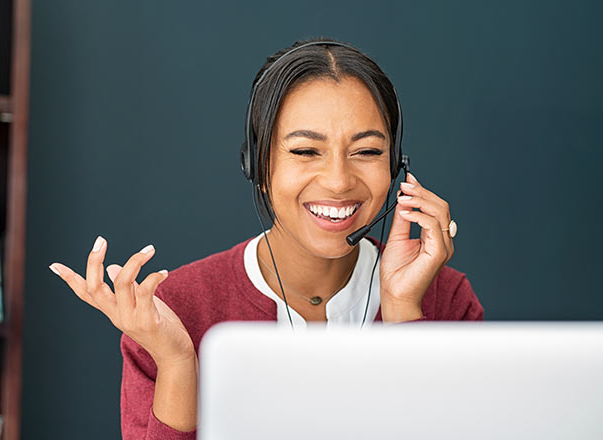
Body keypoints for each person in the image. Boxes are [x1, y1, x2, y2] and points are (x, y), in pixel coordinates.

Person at [49, 38, 484, 439]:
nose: (337, 181)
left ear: (395, 165)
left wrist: (404, 312)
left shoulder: (446, 300)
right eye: (305, 151)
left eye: (367, 151)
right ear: (258, 167)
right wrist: (179, 363)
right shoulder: (172, 309)